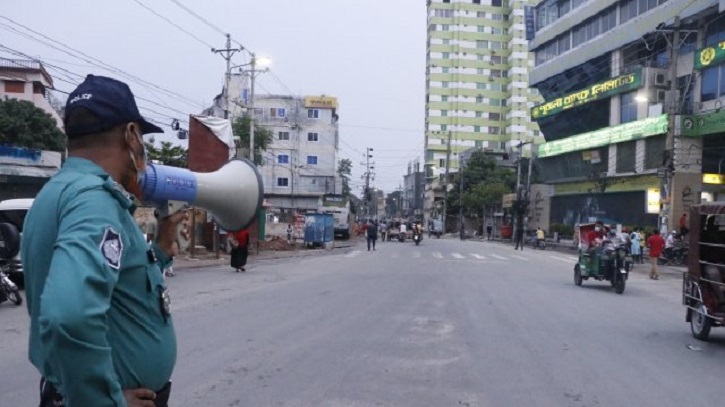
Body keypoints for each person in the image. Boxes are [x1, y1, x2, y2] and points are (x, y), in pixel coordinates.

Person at [22, 75, 187, 406]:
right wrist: (104, 401)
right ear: (130, 135)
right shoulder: (94, 201)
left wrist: (159, 251)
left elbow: (120, 287)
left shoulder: (60, 191)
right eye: (142, 138)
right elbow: (67, 315)